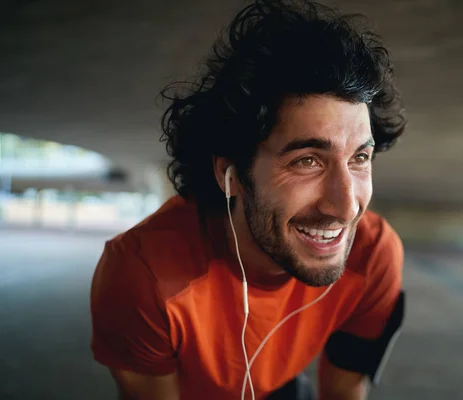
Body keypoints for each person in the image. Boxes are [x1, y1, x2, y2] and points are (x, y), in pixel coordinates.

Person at [90, 0, 407, 399]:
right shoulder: (144, 276)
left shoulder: (373, 254)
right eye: (307, 160)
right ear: (232, 175)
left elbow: (344, 389)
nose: (346, 207)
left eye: (359, 157)